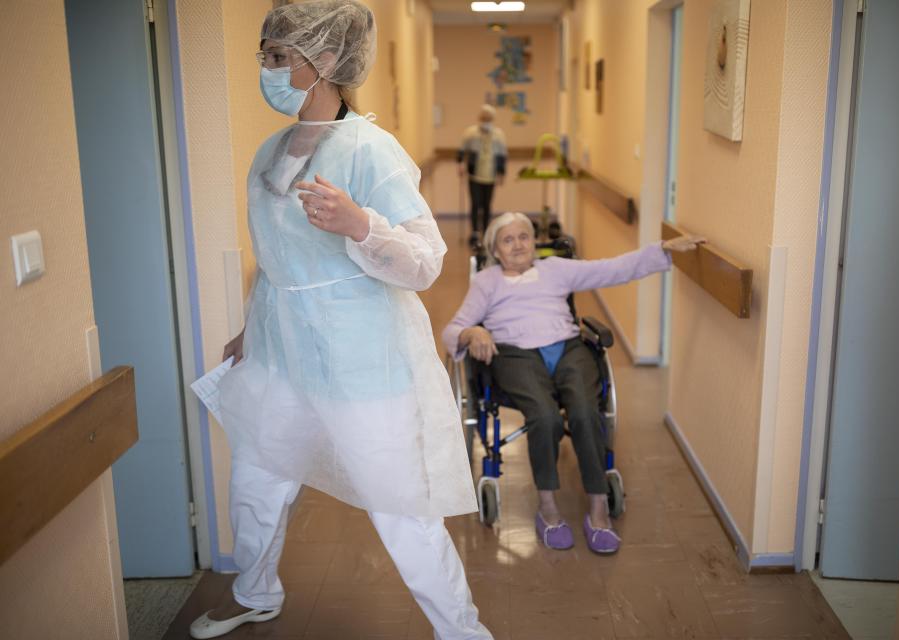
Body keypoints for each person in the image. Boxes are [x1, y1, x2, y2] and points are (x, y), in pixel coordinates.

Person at [189, 3, 491, 638]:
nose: (266, 70)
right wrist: (252, 326)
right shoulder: (271, 152)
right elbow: (277, 260)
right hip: (280, 348)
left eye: (278, 57)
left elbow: (426, 264)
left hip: (360, 360)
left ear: (323, 63)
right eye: (264, 56)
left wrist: (362, 225)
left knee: (401, 507)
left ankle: (463, 631)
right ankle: (255, 590)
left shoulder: (371, 150)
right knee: (255, 478)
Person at [441, 213, 703, 554]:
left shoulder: (556, 269)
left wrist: (664, 248)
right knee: (545, 416)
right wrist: (472, 331)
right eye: (508, 239)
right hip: (516, 355)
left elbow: (613, 269)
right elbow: (452, 328)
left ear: (535, 242)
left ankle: (598, 509)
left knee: (584, 410)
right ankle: (547, 508)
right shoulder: (487, 282)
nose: (518, 244)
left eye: (525, 236)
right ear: (495, 249)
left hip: (567, 348)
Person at [457, 105, 507, 246]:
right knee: (475, 204)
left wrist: (501, 173)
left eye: (488, 118)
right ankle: (474, 232)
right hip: (474, 174)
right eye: (484, 118)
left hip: (490, 176)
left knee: (486, 205)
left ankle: (485, 232)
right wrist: (460, 164)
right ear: (479, 118)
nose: (486, 120)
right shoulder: (470, 133)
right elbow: (462, 150)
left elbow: (502, 155)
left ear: (493, 119)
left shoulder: (499, 135)